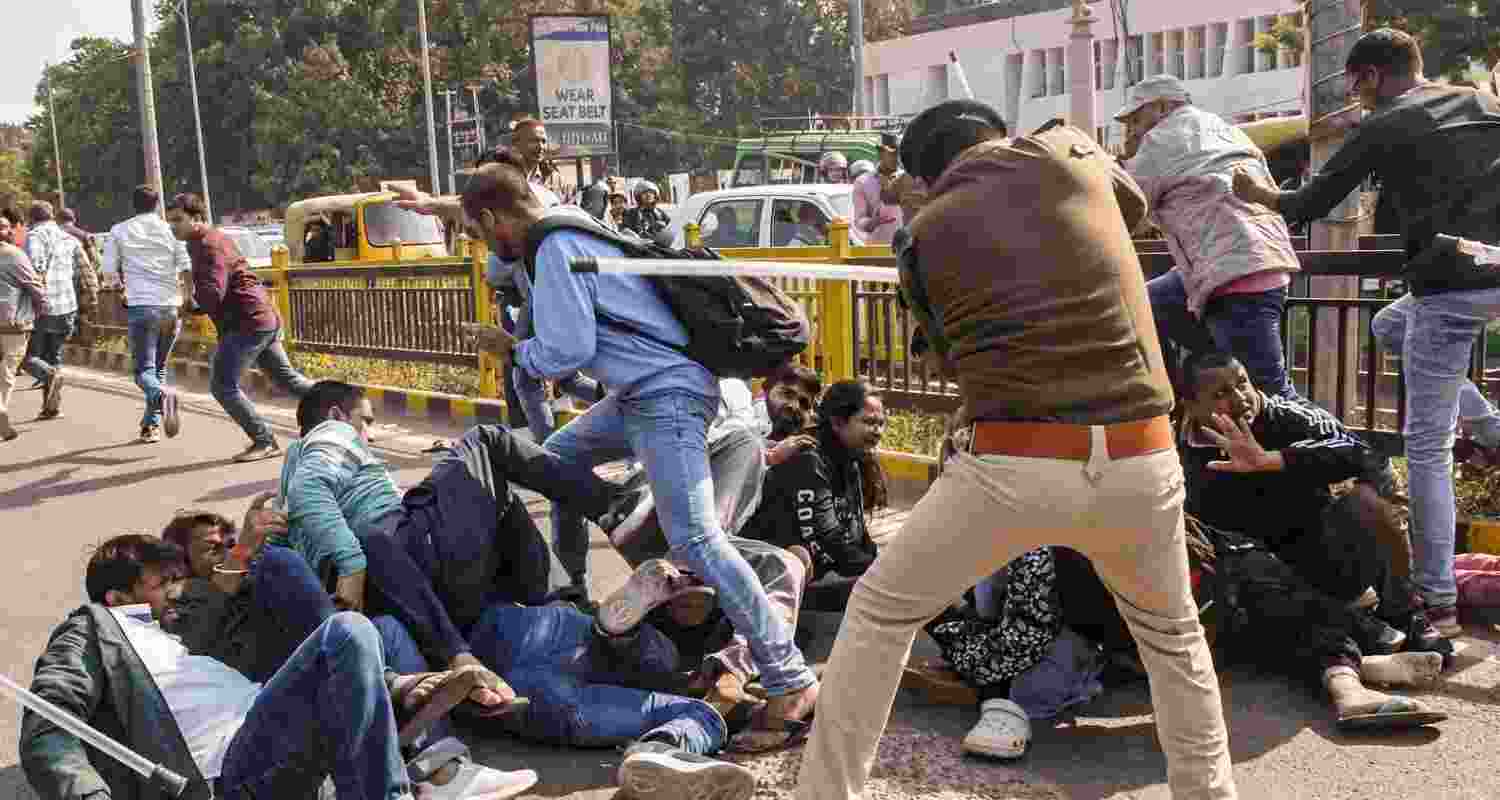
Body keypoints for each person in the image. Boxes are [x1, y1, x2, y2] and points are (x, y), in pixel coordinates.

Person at [796, 100, 1236, 800]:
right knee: (1173, 638)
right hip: (1141, 455)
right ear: (996, 134)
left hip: (1013, 462)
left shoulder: (919, 236)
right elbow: (1129, 211)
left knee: (880, 613)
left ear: (923, 174)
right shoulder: (1069, 151)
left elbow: (950, 360)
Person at [448, 152, 821, 744]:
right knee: (557, 459)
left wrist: (513, 350)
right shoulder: (570, 223)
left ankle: (789, 677)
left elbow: (568, 347)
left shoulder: (552, 249)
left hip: (664, 395)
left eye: (475, 233)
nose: (483, 248)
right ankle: (567, 587)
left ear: (495, 219)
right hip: (642, 392)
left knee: (698, 539)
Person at [1231, 28, 1500, 636]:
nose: (1355, 94)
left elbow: (1305, 205)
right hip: (1492, 267)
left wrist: (1255, 191)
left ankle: (1438, 600)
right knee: (1386, 322)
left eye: (1355, 82)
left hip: (1450, 285)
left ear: (1372, 76)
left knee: (1426, 448)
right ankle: (1489, 425)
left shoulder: (1385, 123)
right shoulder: (1483, 102)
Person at [19, 534, 464, 800]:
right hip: (228, 772)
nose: (178, 591)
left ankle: (390, 710)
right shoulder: (93, 631)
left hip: (281, 736)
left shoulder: (182, 635)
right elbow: (49, 722)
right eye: (162, 584)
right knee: (347, 631)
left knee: (345, 623)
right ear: (117, 599)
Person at [276, 381, 648, 699]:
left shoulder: (288, 483)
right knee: (486, 441)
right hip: (412, 555)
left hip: (414, 590)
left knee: (492, 491)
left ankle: (563, 604)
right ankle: (612, 508)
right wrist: (351, 564)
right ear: (338, 415)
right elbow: (311, 490)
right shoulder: (329, 435)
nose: (368, 435)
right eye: (365, 422)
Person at [160, 503, 540, 799]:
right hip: (273, 694)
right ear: (183, 566)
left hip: (313, 657)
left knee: (385, 626)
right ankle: (397, 692)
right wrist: (243, 551)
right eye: (212, 549)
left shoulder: (255, 578)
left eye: (229, 541)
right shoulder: (186, 600)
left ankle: (443, 770)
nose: (227, 550)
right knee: (283, 564)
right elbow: (199, 634)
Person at [1116, 75, 1302, 400]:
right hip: (1256, 258)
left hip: (1232, 271)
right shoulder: (1225, 128)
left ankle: (1340, 448)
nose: (1131, 128)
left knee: (1270, 394)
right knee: (1146, 305)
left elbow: (1127, 206)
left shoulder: (1161, 139)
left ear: (1162, 107)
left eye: (1136, 117)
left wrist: (1126, 160)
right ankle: (1194, 388)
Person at [166, 193, 314, 460]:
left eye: (178, 220)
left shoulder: (208, 245)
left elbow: (213, 292)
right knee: (288, 380)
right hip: (258, 317)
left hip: (247, 322)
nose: (173, 226)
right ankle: (348, 403)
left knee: (222, 385)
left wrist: (188, 303)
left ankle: (264, 440)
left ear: (197, 218)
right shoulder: (200, 242)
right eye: (170, 221)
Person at [739, 380, 887, 608]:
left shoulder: (851, 459)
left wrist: (884, 561)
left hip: (829, 572)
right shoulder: (809, 459)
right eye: (868, 422)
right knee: (900, 588)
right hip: (791, 587)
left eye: (880, 423)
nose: (877, 432)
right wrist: (882, 568)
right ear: (838, 422)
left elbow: (857, 536)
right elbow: (829, 538)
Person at [103, 184, 192, 444]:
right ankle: (150, 426)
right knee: (159, 369)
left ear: (133, 205)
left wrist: (120, 288)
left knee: (143, 372)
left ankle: (163, 399)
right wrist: (186, 298)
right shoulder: (171, 229)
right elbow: (186, 266)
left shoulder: (119, 230)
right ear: (157, 205)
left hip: (141, 307)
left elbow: (108, 271)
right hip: (170, 307)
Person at [22, 200, 94, 420]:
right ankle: (51, 408)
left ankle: (49, 379)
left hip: (43, 307)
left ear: (31, 219)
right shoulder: (69, 238)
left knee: (27, 358)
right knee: (53, 357)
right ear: (52, 215)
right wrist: (91, 299)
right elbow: (87, 271)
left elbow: (34, 266)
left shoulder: (34, 236)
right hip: (67, 308)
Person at [0, 213, 47, 442]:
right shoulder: (13, 255)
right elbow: (34, 286)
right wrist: (42, 309)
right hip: (11, 324)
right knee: (7, 371)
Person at [851, 157, 902, 244]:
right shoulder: (862, 182)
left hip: (907, 249)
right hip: (877, 249)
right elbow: (859, 220)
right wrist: (872, 223)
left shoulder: (910, 179)